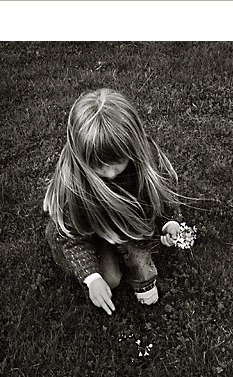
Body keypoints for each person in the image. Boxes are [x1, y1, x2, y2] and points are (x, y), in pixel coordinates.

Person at [43, 88, 182, 316]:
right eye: (98, 165)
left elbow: (163, 194)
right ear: (81, 156)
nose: (110, 173)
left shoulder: (146, 160)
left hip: (125, 222)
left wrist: (169, 222)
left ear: (133, 147)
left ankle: (133, 261)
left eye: (117, 162)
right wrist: (92, 278)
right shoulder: (74, 188)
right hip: (87, 233)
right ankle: (110, 248)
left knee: (138, 244)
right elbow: (71, 238)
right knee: (110, 280)